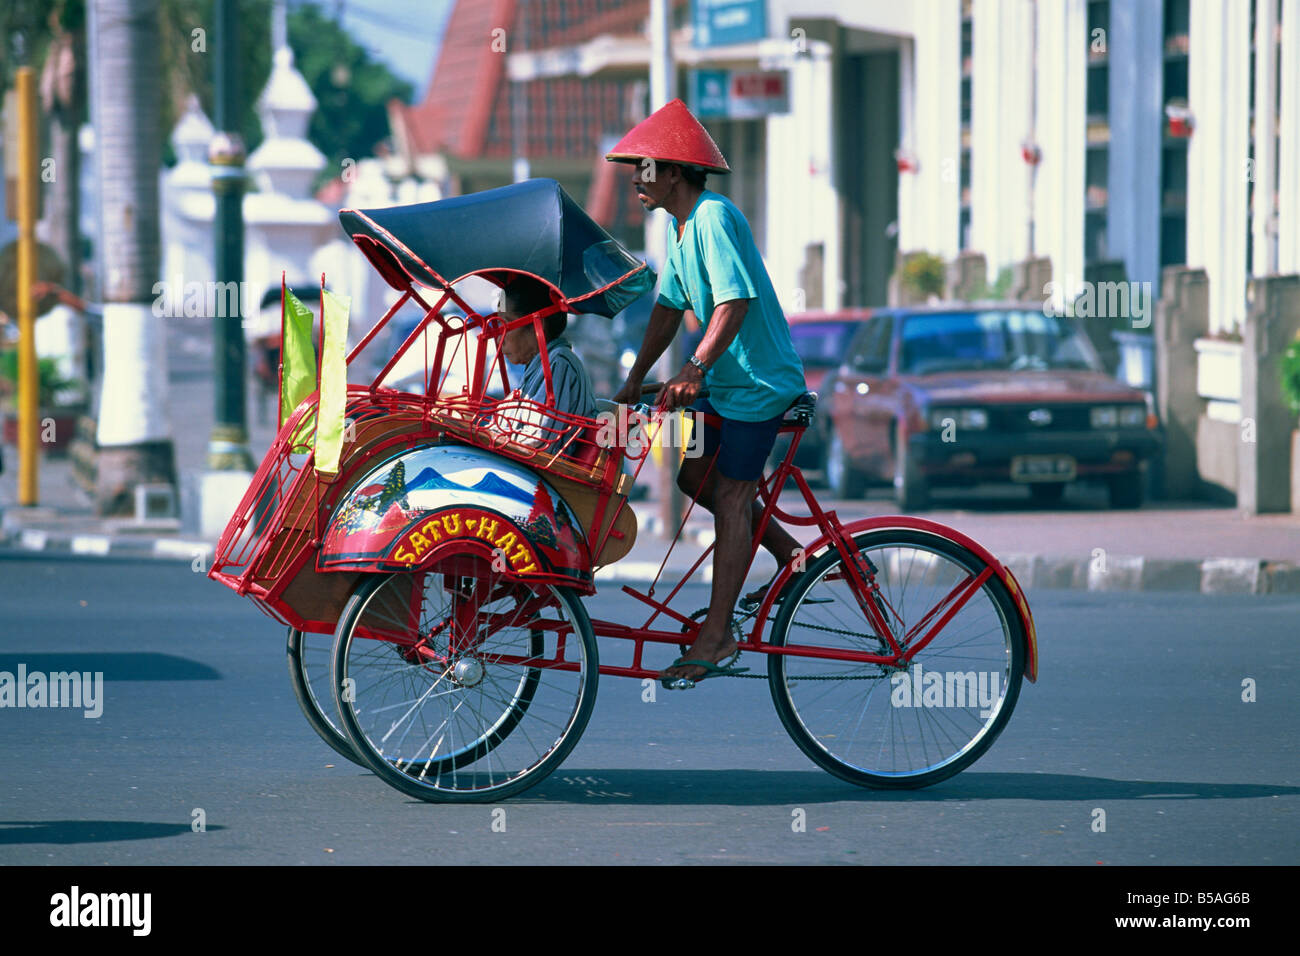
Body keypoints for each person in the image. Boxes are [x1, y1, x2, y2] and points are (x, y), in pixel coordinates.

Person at [608, 99, 807, 689]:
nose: (636, 179)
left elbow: (735, 302)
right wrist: (634, 378)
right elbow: (668, 309)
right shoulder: (680, 227)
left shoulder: (714, 216)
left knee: (731, 496)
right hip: (725, 388)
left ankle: (717, 635)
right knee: (694, 479)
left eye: (645, 169)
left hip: (760, 388)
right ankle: (798, 557)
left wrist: (693, 367)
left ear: (674, 172)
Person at [495, 276, 598, 449]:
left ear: (538, 326)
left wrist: (490, 438)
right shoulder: (536, 369)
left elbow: (538, 440)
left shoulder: (559, 362)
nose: (500, 337)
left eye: (508, 323)